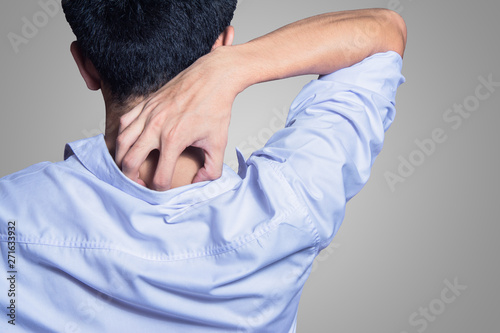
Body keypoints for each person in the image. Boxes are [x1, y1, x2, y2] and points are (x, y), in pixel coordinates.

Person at [0, 0, 406, 331]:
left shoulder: (10, 218)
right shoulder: (287, 210)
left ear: (85, 64)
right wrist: (229, 68)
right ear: (222, 43)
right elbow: (383, 31)